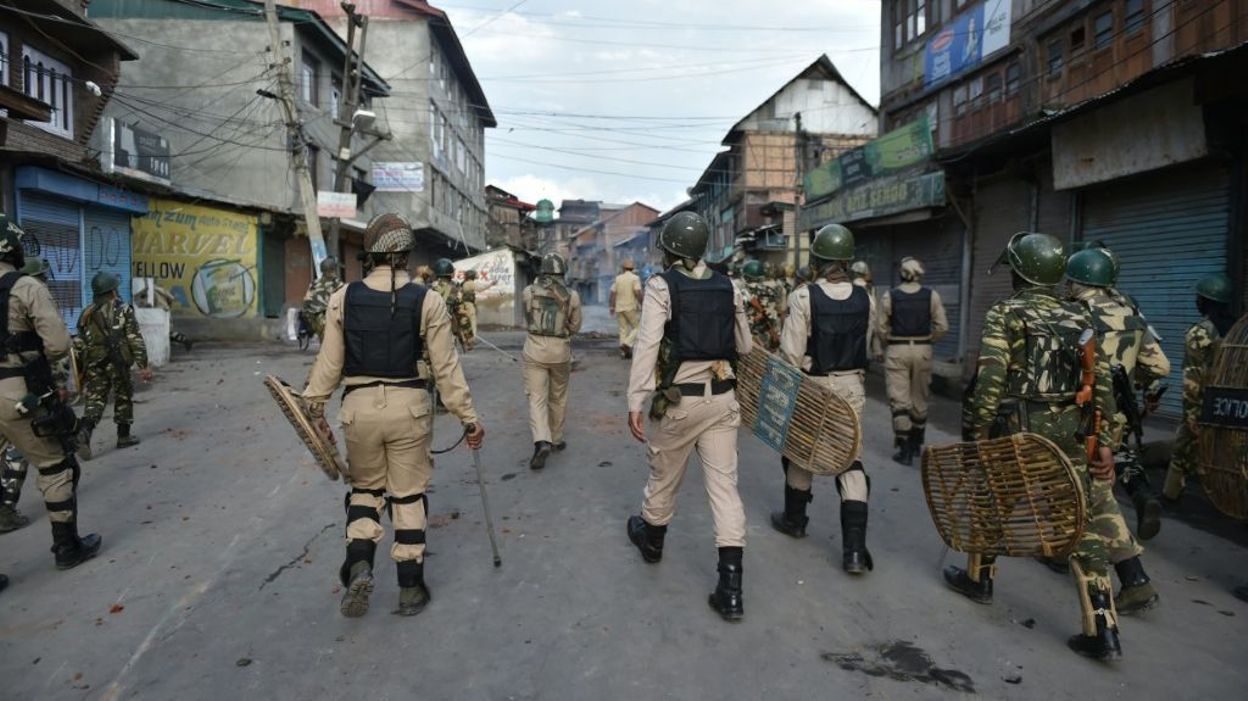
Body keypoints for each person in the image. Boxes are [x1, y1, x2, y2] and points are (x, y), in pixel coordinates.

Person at [949, 231, 1123, 661]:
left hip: (1018, 429)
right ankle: (1103, 628)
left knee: (992, 501)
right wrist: (1106, 443)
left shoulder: (1005, 314)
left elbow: (989, 381)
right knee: (1079, 519)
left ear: (1021, 273)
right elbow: (1100, 383)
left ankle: (980, 580)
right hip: (1073, 432)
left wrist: (976, 430)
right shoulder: (1080, 316)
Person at [303, 213, 485, 618]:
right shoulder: (428, 300)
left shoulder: (342, 298)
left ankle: (360, 562)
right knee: (407, 493)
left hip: (358, 409)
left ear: (370, 253)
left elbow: (328, 366)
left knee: (366, 489)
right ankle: (409, 587)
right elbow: (446, 369)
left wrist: (311, 405)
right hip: (410, 408)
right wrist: (468, 418)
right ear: (404, 254)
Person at [625, 211, 752, 622]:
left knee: (664, 475)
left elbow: (647, 346)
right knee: (725, 490)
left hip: (680, 403)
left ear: (671, 250)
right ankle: (730, 590)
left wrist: (636, 399)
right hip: (722, 400)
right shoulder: (728, 284)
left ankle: (653, 542)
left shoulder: (662, 285)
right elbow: (745, 346)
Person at [1064, 246, 1168, 613]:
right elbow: (1161, 367)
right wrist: (1134, 385)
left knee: (1093, 492)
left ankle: (1133, 577)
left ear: (1076, 280)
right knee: (1093, 486)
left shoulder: (1075, 314)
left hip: (1080, 416)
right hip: (1116, 421)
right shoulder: (1132, 315)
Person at [770, 224, 876, 574]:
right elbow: (869, 343)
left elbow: (790, 355)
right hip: (853, 387)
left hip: (814, 386)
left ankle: (795, 520)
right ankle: (855, 551)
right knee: (851, 459)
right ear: (847, 260)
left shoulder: (803, 296)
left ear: (817, 258)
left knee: (804, 450)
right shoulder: (866, 297)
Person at [0, 213, 100, 571]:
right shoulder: (26, 286)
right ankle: (67, 548)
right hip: (17, 392)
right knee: (55, 466)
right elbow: (58, 345)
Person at [1162, 273, 1235, 502]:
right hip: (1232, 402)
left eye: (1199, 297)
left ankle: (1170, 494)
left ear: (1205, 301)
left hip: (1205, 400)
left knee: (1184, 445)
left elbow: (1192, 377)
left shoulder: (1200, 332)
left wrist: (1191, 413)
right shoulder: (1237, 328)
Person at [878, 257, 949, 466]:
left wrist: (887, 343)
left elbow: (880, 328)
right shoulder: (932, 296)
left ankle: (905, 448)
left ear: (901, 273)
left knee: (900, 400)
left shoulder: (890, 296)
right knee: (919, 399)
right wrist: (928, 341)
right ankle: (917, 443)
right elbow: (942, 326)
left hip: (897, 350)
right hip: (923, 349)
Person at [75, 272, 153, 461]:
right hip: (117, 363)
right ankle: (124, 436)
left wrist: (81, 371)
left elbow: (80, 343)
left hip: (95, 363)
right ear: (112, 291)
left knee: (95, 399)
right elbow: (134, 338)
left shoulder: (86, 313)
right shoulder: (123, 310)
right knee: (123, 395)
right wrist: (143, 365)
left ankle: (84, 432)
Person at [521, 253, 582, 470]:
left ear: (542, 271)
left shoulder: (528, 291)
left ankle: (541, 441)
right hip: (560, 351)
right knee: (558, 396)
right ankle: (556, 439)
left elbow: (526, 318)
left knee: (536, 398)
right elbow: (575, 327)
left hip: (534, 349)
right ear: (562, 271)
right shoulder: (572, 295)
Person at [134, 280, 193, 353]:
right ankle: (184, 340)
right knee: (167, 332)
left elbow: (146, 304)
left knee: (165, 333)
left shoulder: (147, 292)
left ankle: (184, 340)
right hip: (165, 311)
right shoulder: (160, 289)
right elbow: (171, 298)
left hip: (158, 313)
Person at [430, 259, 473, 351]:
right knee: (448, 363)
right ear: (451, 274)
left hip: (429, 332)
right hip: (446, 333)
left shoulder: (428, 288)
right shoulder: (455, 291)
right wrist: (467, 337)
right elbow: (462, 316)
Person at [742, 260, 781, 351]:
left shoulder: (742, 292)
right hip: (768, 335)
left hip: (749, 338)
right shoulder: (770, 291)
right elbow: (773, 315)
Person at [302, 257, 343, 341]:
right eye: (332, 270)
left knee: (325, 340)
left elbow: (306, 300)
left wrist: (307, 315)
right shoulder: (337, 284)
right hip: (326, 317)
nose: (333, 272)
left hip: (319, 318)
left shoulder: (315, 283)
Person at [609, 259, 642, 359]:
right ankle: (627, 344)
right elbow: (637, 292)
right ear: (632, 268)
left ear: (623, 268)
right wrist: (643, 303)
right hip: (630, 307)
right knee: (638, 328)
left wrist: (612, 306)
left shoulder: (618, 278)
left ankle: (625, 353)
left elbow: (613, 293)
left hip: (619, 308)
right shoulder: (635, 278)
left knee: (623, 330)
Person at [460, 269, 496, 339]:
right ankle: (472, 336)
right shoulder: (470, 283)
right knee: (472, 320)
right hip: (469, 304)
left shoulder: (464, 283)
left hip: (463, 304)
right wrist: (491, 284)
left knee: (464, 320)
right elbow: (481, 288)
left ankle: (465, 336)